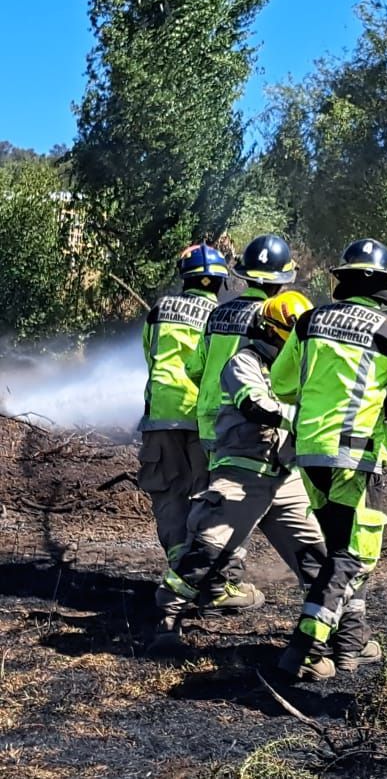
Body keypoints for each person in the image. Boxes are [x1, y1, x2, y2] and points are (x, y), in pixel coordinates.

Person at [271, 238, 387, 680]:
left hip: (310, 454)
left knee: (337, 552)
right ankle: (306, 640)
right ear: (384, 285)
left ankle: (350, 643)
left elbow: (282, 385)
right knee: (356, 554)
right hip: (355, 456)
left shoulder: (308, 323)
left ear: (343, 281)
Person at [154, 292, 328, 645]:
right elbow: (255, 405)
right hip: (242, 474)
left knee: (317, 560)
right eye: (295, 335)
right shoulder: (243, 363)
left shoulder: (299, 369)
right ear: (274, 330)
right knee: (203, 552)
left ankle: (326, 640)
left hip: (285, 476)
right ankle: (168, 620)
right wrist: (305, 418)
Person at [139, 244, 229, 571]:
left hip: (161, 416)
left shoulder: (160, 310)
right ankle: (202, 567)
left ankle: (178, 557)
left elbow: (150, 355)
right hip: (204, 418)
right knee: (206, 492)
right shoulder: (222, 318)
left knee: (167, 492)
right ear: (220, 283)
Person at [191, 234, 298, 457]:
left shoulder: (216, 313)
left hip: (208, 418)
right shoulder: (274, 321)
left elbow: (194, 369)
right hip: (247, 421)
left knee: (214, 482)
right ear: (282, 281)